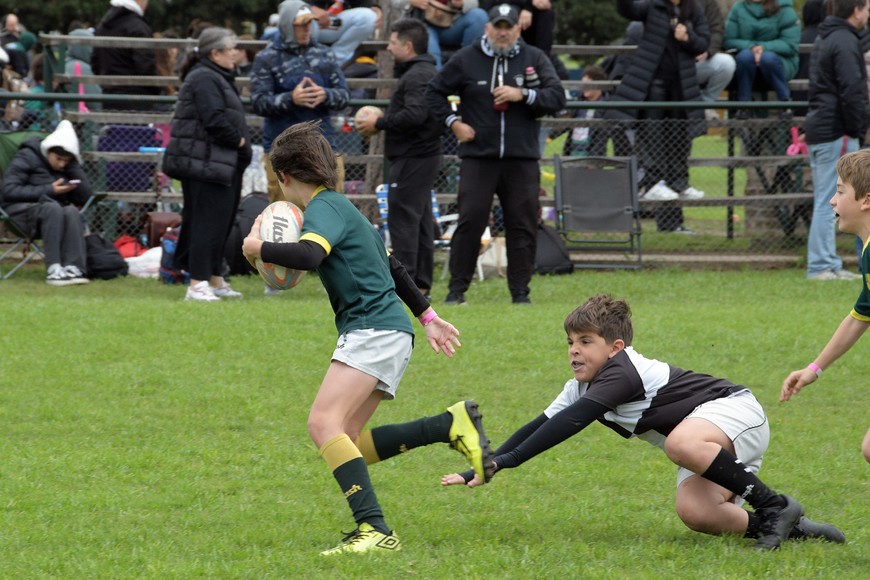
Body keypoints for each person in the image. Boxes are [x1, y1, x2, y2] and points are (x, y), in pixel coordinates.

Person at [241, 120, 495, 555]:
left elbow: (308, 254)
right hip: (389, 331)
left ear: (282, 176)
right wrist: (428, 316)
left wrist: (257, 248)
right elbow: (393, 267)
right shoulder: (344, 208)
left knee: (322, 424)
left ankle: (373, 529)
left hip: (372, 329)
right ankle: (447, 425)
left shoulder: (323, 210)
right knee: (349, 439)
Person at [443, 294, 848, 549]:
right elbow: (539, 425)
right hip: (708, 440)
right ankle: (794, 529)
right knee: (696, 513)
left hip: (736, 413)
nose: (573, 351)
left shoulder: (624, 371)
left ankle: (775, 505)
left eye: (585, 342)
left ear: (615, 348)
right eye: (570, 342)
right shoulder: (582, 386)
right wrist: (488, 463)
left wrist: (504, 462)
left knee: (679, 445)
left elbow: (572, 422)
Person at [426, 3, 566, 305]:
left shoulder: (535, 57)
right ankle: (456, 292)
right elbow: (433, 92)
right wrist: (454, 123)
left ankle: (520, 293)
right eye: (497, 27)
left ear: (518, 29)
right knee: (470, 222)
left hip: (522, 158)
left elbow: (557, 97)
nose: (503, 33)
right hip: (479, 157)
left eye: (508, 27)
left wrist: (524, 95)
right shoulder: (466, 58)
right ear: (487, 28)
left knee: (522, 224)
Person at [781, 149, 870, 464]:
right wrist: (813, 369)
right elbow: (860, 316)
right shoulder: (867, 249)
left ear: (866, 200)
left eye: (840, 191)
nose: (833, 200)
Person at [161, 27, 252, 302]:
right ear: (215, 53)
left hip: (219, 163)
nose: (236, 53)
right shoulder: (204, 77)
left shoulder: (218, 76)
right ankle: (197, 284)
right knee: (205, 224)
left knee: (221, 223)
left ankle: (215, 279)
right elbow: (213, 119)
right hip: (205, 164)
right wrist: (239, 142)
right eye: (231, 48)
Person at [355, 18, 443, 298]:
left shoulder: (417, 75)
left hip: (414, 156)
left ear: (407, 45)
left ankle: (408, 287)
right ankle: (422, 284)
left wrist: (380, 122)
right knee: (420, 220)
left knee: (404, 219)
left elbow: (416, 114)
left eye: (392, 43)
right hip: (421, 156)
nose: (389, 48)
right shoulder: (423, 71)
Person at [605, 0, 709, 233]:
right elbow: (626, 9)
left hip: (682, 85)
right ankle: (652, 182)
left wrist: (688, 37)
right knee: (653, 139)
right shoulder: (653, 7)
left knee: (680, 141)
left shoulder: (693, 10)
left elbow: (704, 42)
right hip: (653, 83)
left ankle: (678, 194)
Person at [250, 0, 350, 204]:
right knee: (285, 211)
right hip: (282, 148)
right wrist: (291, 99)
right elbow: (258, 102)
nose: (307, 29)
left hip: (323, 145)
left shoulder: (324, 53)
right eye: (301, 25)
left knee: (332, 206)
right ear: (287, 26)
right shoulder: (267, 57)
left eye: (309, 24)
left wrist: (325, 94)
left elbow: (344, 96)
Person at [802, 0, 869, 281]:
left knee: (828, 197)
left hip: (823, 127)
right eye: (867, 8)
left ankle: (829, 263)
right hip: (835, 130)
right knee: (832, 200)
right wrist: (858, 126)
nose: (868, 14)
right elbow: (851, 88)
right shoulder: (843, 40)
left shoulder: (827, 35)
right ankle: (821, 265)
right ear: (855, 10)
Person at [0, 120, 93, 286]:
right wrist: (50, 190)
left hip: (52, 214)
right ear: (48, 150)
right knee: (53, 207)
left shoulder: (67, 167)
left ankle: (73, 267)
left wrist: (74, 167)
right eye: (59, 159)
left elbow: (86, 196)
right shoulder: (26, 156)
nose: (61, 164)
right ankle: (54, 268)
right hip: (21, 214)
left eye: (66, 160)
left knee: (70, 211)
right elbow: (8, 190)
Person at [723, 0, 800, 118]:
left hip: (780, 61)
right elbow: (729, 40)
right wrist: (752, 48)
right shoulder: (738, 8)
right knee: (745, 57)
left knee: (767, 59)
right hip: (746, 63)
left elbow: (790, 44)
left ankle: (785, 103)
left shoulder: (785, 9)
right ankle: (744, 105)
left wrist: (763, 48)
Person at [92, 0, 160, 111]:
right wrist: (156, 89)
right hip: (137, 100)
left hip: (109, 97)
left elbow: (95, 63)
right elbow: (145, 67)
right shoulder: (138, 27)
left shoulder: (102, 27)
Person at [407, 0, 488, 68]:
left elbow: (475, 3)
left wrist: (461, 3)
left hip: (452, 24)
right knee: (431, 48)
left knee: (479, 16)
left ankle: (468, 69)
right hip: (423, 24)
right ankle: (435, 80)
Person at [304, 0, 379, 66]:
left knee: (369, 17)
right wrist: (309, 8)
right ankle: (303, 62)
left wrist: (376, 9)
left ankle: (331, 63)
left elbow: (364, 6)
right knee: (304, 16)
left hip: (335, 23)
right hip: (306, 21)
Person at [696, 0, 736, 107]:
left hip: (698, 59)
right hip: (669, 62)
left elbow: (717, 29)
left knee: (726, 63)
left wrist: (708, 51)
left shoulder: (708, 2)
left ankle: (705, 104)